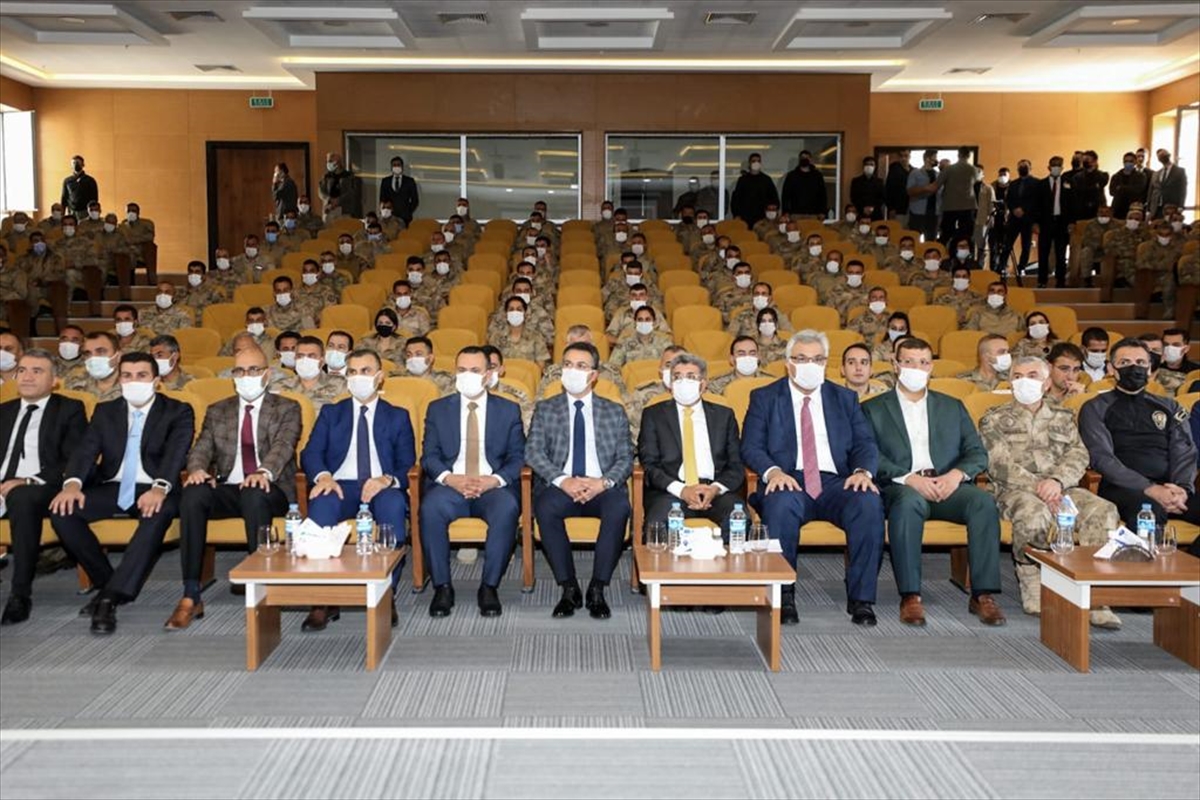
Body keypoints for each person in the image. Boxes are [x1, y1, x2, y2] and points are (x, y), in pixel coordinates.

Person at [741, 331, 886, 626]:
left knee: (869, 502)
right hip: (789, 478)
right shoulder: (765, 397)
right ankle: (783, 594)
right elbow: (751, 446)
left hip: (836, 481)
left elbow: (865, 443)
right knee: (780, 503)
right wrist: (773, 471)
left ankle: (861, 599)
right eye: (802, 358)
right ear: (788, 363)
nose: (810, 365)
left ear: (826, 363)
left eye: (817, 359)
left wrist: (862, 472)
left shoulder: (844, 398)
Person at [862, 338, 1005, 627]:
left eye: (923, 362)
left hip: (947, 486)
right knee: (908, 504)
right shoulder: (873, 408)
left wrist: (955, 476)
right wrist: (910, 479)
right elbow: (869, 455)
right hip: (902, 487)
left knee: (982, 502)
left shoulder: (952, 407)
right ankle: (911, 595)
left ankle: (983, 595)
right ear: (895, 365)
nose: (916, 368)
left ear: (931, 367)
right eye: (909, 362)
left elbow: (977, 453)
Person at [49, 354, 195, 634]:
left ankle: (108, 599)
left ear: (156, 380)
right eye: (127, 375)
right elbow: (86, 450)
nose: (133, 381)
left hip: (157, 487)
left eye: (142, 375)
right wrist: (72, 484)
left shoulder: (178, 411)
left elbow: (176, 454)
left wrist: (159, 487)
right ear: (119, 379)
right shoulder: (106, 411)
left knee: (156, 513)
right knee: (62, 511)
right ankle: (109, 583)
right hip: (113, 485)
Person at [980, 356, 1122, 627]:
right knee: (1034, 513)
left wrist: (1056, 481)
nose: (1024, 381)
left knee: (1103, 510)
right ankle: (1032, 582)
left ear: (1046, 383)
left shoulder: (1064, 417)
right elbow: (998, 464)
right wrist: (1040, 487)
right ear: (1009, 382)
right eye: (1017, 376)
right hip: (1015, 490)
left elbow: (1078, 455)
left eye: (1032, 375)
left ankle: (1096, 594)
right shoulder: (994, 419)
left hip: (1062, 487)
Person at [168, 347, 301, 631]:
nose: (246, 376)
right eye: (239, 370)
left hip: (272, 488)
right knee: (193, 493)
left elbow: (283, 447)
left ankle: (261, 587)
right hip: (230, 486)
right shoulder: (219, 410)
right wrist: (197, 470)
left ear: (267, 374)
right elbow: (201, 448)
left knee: (254, 493)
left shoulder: (287, 407)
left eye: (253, 370)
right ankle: (191, 594)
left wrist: (263, 472)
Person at [302, 349, 416, 630]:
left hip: (380, 486)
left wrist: (386, 480)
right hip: (340, 485)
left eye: (365, 371)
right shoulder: (331, 412)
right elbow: (311, 453)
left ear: (379, 377)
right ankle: (322, 599)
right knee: (321, 505)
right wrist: (324, 477)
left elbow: (407, 463)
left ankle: (386, 593)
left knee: (392, 506)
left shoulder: (397, 416)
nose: (358, 377)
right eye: (352, 372)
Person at [527, 342, 633, 620]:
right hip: (561, 486)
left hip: (602, 486)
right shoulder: (546, 409)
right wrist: (563, 481)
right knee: (545, 507)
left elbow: (626, 457)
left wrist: (603, 483)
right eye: (568, 364)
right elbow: (533, 452)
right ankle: (569, 587)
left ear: (594, 375)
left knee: (619, 507)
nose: (572, 370)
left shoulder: (614, 411)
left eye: (581, 366)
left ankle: (597, 587)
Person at [419, 347, 525, 618]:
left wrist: (494, 480)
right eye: (462, 370)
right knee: (429, 509)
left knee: (507, 508)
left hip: (491, 487)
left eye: (475, 370)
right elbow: (429, 456)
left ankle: (489, 587)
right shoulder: (438, 409)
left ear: (489, 374)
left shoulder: (508, 410)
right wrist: (449, 478)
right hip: (450, 486)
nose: (467, 375)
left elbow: (518, 457)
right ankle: (442, 587)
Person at [0, 351, 88, 625]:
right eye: (22, 370)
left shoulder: (69, 409)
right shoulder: (3, 411)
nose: (27, 376)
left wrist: (28, 480)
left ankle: (20, 594)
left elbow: (73, 458)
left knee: (21, 497)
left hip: (43, 485)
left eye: (37, 371)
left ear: (54, 380)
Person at [1079, 338, 1200, 534]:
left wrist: (1182, 489)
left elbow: (1184, 451)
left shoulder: (1170, 406)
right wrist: (1150, 489)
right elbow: (1102, 458)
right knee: (1150, 512)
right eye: (1125, 362)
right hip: (1121, 487)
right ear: (1112, 369)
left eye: (1141, 362)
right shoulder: (1095, 407)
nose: (1134, 368)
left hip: (1170, 487)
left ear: (1150, 368)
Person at [638, 351, 744, 547]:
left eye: (691, 377)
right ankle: (660, 569)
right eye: (677, 377)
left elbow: (736, 464)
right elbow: (649, 464)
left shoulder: (724, 416)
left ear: (703, 384)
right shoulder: (653, 415)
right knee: (657, 524)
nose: (683, 382)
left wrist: (715, 489)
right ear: (670, 383)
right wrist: (683, 490)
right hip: (671, 491)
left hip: (714, 491)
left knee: (738, 519)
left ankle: (724, 567)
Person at [273, 336, 346, 412]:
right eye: (300, 356)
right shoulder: (279, 386)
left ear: (322, 360)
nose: (305, 360)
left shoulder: (341, 385)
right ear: (295, 358)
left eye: (311, 356)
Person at [1035, 156, 1074, 288]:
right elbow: (1036, 205)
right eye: (1054, 165)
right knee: (1043, 252)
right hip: (1045, 222)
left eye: (1058, 165)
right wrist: (1035, 223)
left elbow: (1072, 204)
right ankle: (1042, 280)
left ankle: (1060, 280)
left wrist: (1071, 222)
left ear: (1062, 168)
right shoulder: (1041, 184)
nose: (1056, 167)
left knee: (1061, 253)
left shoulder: (1068, 183)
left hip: (1061, 222)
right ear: (1049, 167)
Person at [999, 159, 1039, 282]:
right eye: (1020, 166)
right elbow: (1009, 199)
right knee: (1007, 244)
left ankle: (1022, 267)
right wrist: (1014, 209)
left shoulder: (1036, 183)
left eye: (1024, 166)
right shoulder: (1013, 183)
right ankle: (1001, 267)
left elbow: (1035, 200)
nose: (1022, 168)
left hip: (1028, 218)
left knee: (1026, 245)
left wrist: (1024, 209)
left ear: (1030, 168)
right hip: (1014, 219)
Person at [939, 147, 977, 246]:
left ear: (958, 155)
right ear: (969, 156)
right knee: (966, 236)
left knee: (946, 234)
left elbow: (936, 185)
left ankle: (942, 253)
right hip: (967, 206)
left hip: (950, 206)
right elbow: (975, 183)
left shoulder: (949, 169)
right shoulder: (973, 170)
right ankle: (966, 254)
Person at [707, 336, 773, 395]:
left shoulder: (771, 382)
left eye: (752, 353)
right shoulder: (716, 385)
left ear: (758, 357)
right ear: (732, 359)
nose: (747, 358)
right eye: (741, 354)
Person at [730, 153, 779, 227]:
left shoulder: (766, 180)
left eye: (758, 161)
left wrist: (772, 212)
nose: (756, 163)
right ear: (749, 163)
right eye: (753, 161)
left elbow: (774, 198)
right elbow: (736, 199)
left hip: (763, 218)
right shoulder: (742, 180)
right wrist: (736, 214)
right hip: (745, 218)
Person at [780, 150, 827, 218]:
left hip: (814, 214)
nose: (804, 159)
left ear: (810, 159)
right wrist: (786, 212)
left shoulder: (817, 176)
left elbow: (822, 195)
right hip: (795, 214)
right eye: (802, 157)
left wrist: (822, 211)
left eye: (807, 157)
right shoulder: (792, 176)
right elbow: (785, 196)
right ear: (799, 160)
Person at [906, 149, 940, 243]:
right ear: (927, 159)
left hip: (934, 213)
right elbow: (909, 191)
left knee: (931, 242)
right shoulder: (915, 173)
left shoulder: (938, 175)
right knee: (914, 240)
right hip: (918, 212)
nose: (936, 160)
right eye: (935, 157)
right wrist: (925, 188)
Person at [318, 152, 362, 221]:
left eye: (330, 161)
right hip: (329, 209)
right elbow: (321, 191)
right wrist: (329, 199)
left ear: (337, 162)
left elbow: (352, 192)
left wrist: (338, 200)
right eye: (327, 161)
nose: (328, 164)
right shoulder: (326, 177)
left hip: (344, 210)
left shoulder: (348, 176)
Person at [1147, 149, 1189, 219]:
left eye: (1163, 155)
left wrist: (1181, 205)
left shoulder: (1180, 171)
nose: (1162, 157)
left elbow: (1183, 190)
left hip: (1171, 207)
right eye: (1159, 156)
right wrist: (1148, 208)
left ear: (1169, 155)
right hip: (1156, 208)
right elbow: (1151, 191)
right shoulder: (1156, 173)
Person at [1157, 328, 1200, 394]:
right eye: (1166, 344)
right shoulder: (1153, 367)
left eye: (1176, 345)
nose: (1170, 348)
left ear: (1186, 349)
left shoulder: (1196, 371)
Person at [1109, 152, 1149, 220]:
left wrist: (1120, 188)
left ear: (1135, 162)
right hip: (1118, 208)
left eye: (1131, 161)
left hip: (1133, 208)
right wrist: (1129, 188)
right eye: (1126, 161)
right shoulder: (1116, 176)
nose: (1128, 163)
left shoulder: (1141, 176)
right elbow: (1112, 191)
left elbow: (1138, 190)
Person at [850, 156, 886, 222]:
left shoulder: (879, 182)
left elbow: (882, 198)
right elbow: (853, 197)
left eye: (871, 164)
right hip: (861, 213)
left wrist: (873, 208)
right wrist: (862, 208)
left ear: (875, 167)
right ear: (863, 166)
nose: (869, 166)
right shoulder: (856, 181)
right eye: (867, 164)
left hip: (876, 214)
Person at [884, 150, 912, 226]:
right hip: (898, 209)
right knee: (897, 229)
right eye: (901, 156)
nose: (903, 158)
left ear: (910, 156)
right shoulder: (894, 169)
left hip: (912, 209)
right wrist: (891, 208)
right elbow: (888, 189)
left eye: (906, 156)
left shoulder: (913, 170)